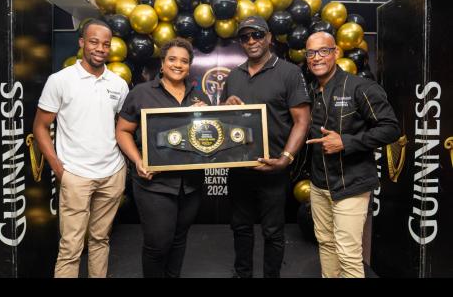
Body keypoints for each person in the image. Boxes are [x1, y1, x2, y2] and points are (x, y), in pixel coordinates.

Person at [33, 19, 129, 278]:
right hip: (75, 175)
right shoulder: (60, 80)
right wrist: (59, 169)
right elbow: (40, 127)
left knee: (100, 240)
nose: (100, 48)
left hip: (112, 174)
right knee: (71, 247)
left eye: (106, 44)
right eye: (94, 42)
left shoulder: (118, 85)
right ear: (82, 43)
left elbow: (125, 128)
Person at [304, 31, 400, 278]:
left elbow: (391, 129)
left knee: (347, 254)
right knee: (326, 243)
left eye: (323, 51)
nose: (317, 58)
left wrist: (346, 143)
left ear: (336, 52)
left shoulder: (361, 87)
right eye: (311, 53)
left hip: (352, 184)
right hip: (319, 185)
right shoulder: (311, 91)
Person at [221, 16, 311, 278]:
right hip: (240, 167)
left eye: (257, 35)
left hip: (273, 167)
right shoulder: (234, 76)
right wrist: (226, 109)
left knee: (273, 231)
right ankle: (243, 274)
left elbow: (302, 121)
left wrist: (285, 158)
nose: (251, 41)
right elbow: (224, 124)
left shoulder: (289, 72)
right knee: (240, 227)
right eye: (245, 37)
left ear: (269, 37)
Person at [115, 37, 210, 278]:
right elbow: (123, 131)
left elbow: (209, 139)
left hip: (190, 185)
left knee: (179, 240)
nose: (178, 65)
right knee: (158, 244)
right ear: (162, 63)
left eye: (184, 61)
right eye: (172, 59)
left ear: (189, 66)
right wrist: (138, 160)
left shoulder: (199, 99)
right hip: (154, 185)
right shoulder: (141, 93)